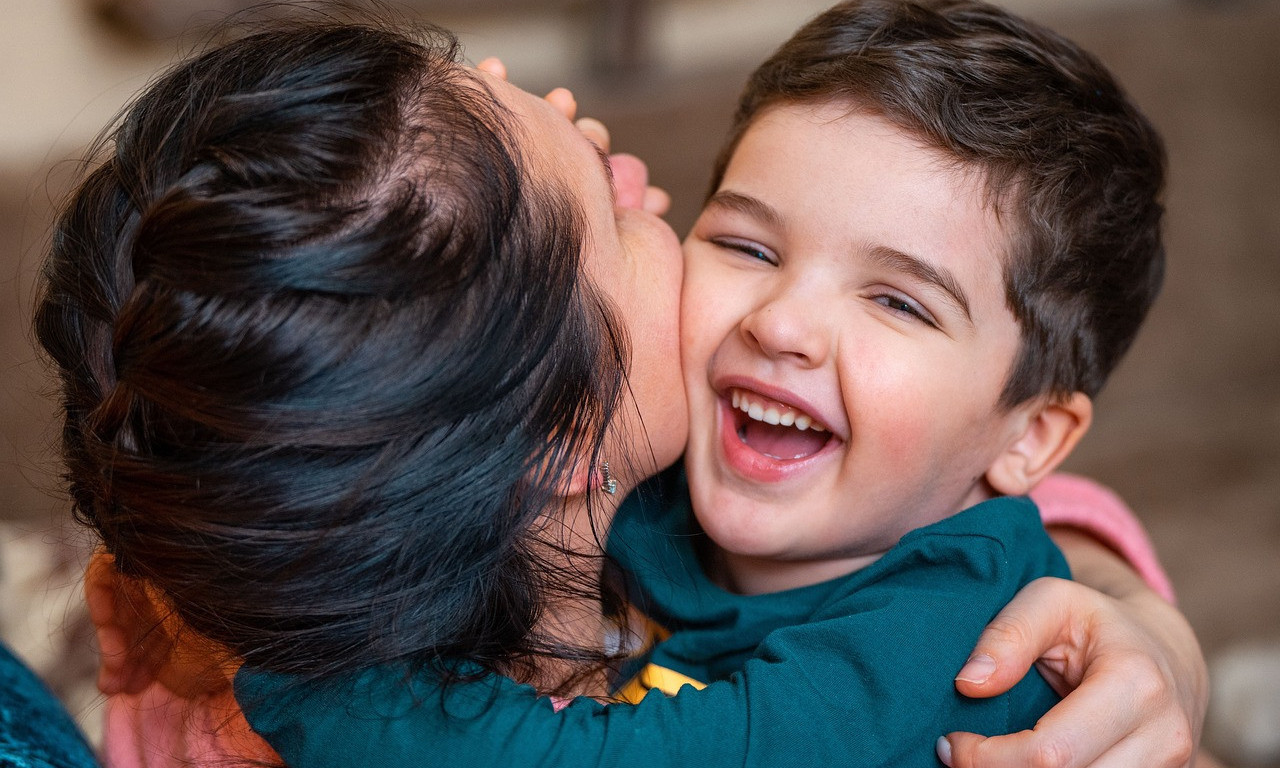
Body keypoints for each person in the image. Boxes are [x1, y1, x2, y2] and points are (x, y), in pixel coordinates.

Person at [34, 10, 1203, 768]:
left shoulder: (972, 623)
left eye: (897, 301)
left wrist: (1132, 608)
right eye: (736, 242)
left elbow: (977, 519)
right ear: (553, 436)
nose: (780, 320)